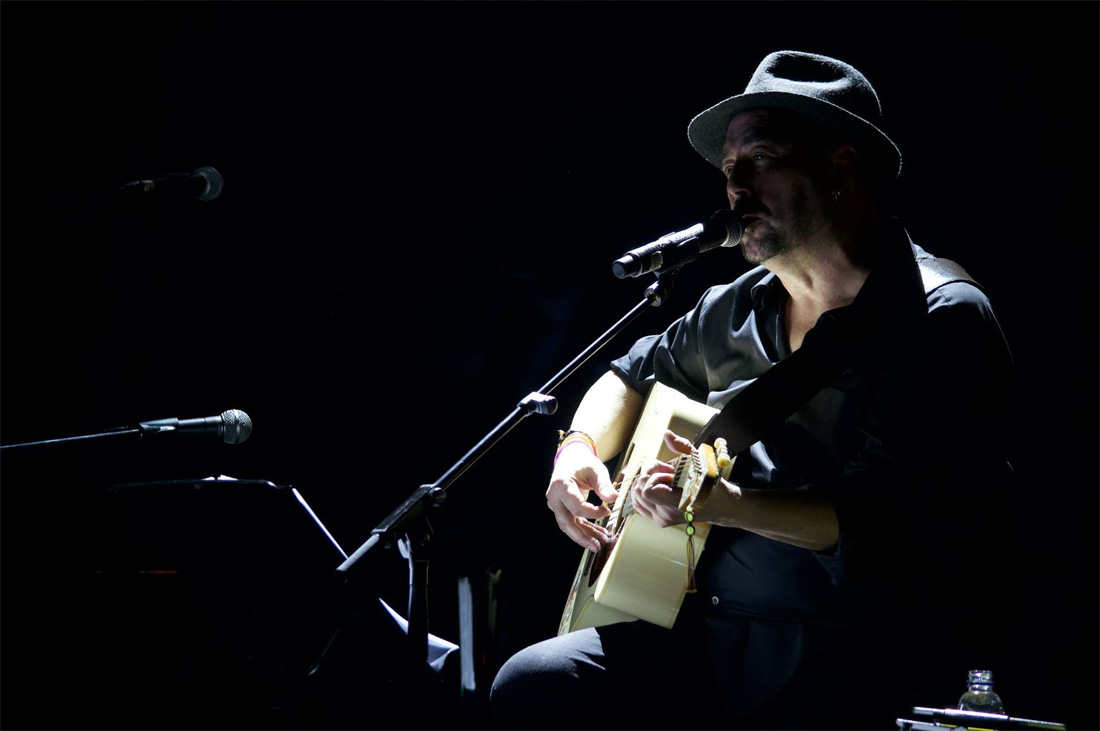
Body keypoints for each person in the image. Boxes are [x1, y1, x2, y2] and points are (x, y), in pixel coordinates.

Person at [489, 50, 1014, 730]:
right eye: (728, 168)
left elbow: (885, 518)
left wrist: (730, 505)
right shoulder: (735, 306)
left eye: (758, 159)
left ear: (840, 167)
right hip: (708, 634)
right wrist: (578, 450)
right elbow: (629, 373)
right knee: (535, 684)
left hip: (850, 651)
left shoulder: (939, 318)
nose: (733, 186)